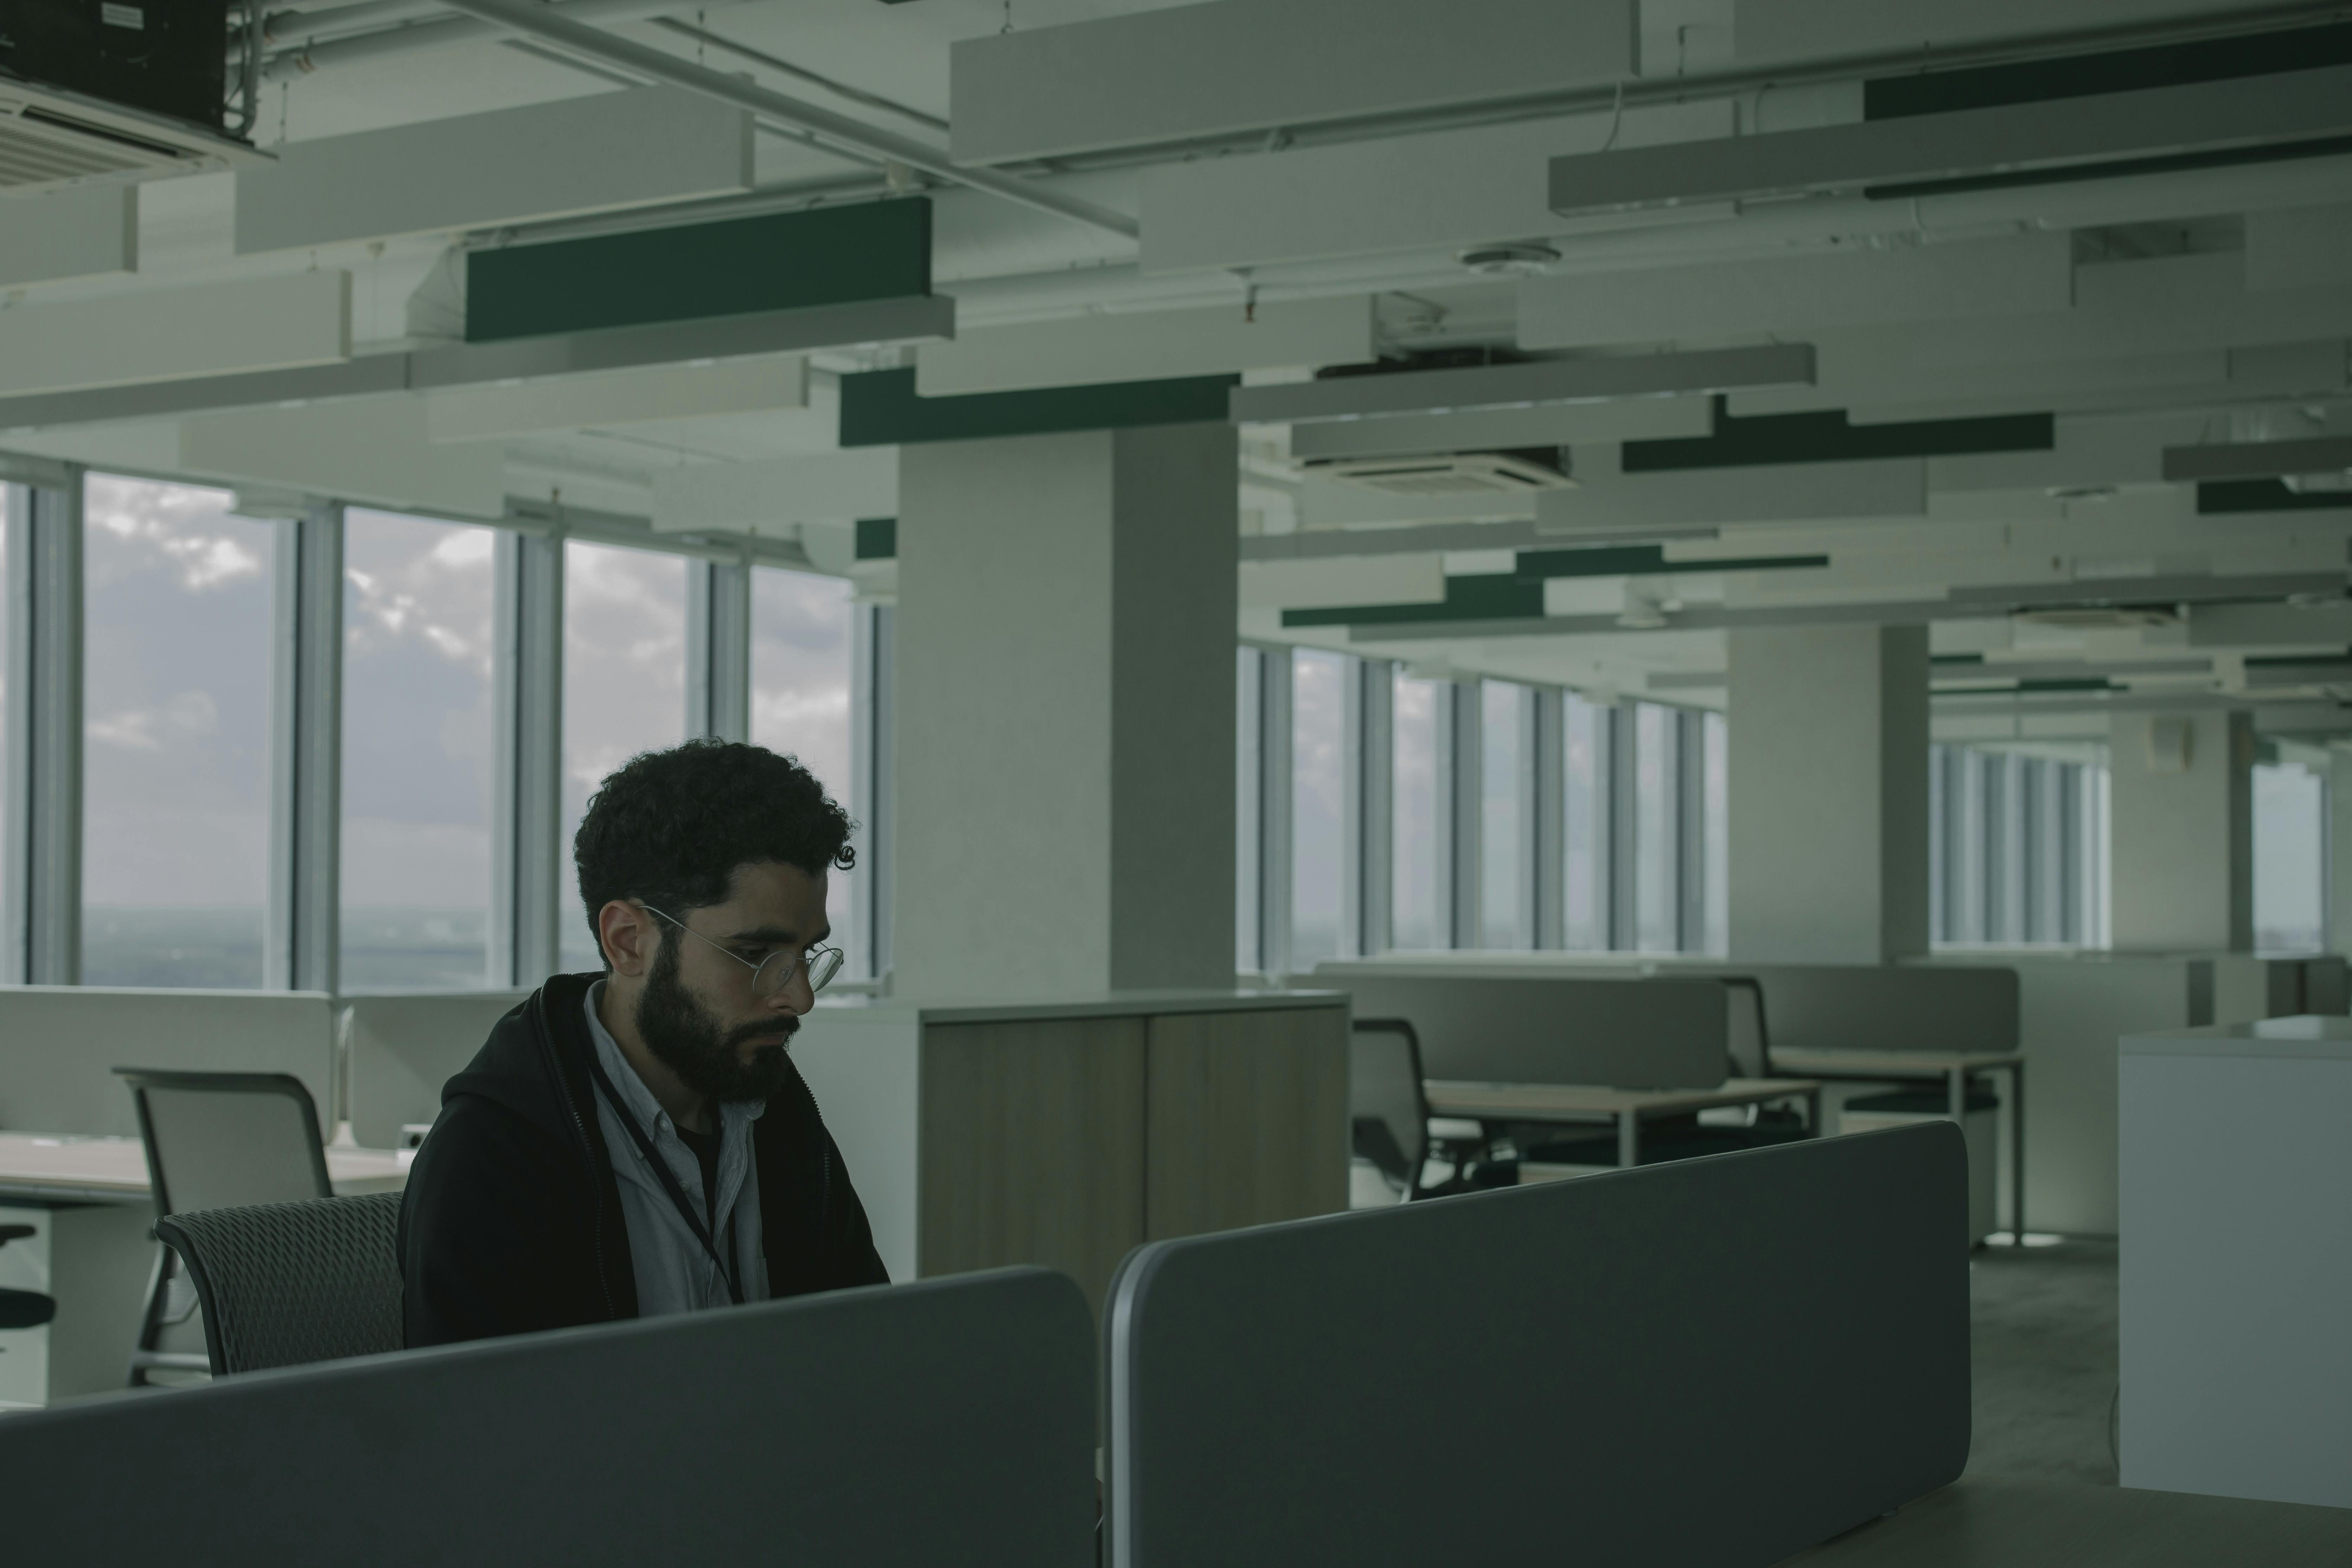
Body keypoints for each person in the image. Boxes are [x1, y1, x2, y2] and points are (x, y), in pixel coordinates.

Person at [399, 738, 888, 1346]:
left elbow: (867, 1355)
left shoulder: (777, 1112)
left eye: (806, 954)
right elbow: (482, 1429)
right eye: (757, 955)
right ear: (629, 940)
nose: (800, 997)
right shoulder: (496, 1154)